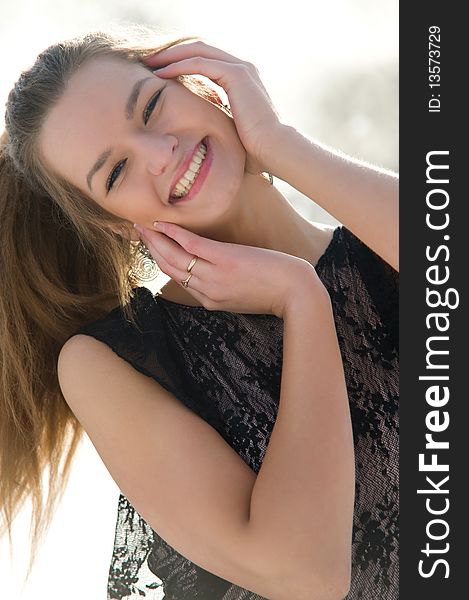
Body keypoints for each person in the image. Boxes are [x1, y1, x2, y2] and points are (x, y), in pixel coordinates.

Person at [0, 29, 398, 600]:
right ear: (114, 223)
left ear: (203, 86)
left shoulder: (385, 237)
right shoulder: (114, 364)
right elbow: (306, 573)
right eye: (116, 173)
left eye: (153, 107)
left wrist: (280, 143)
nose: (162, 153)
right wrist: (300, 298)